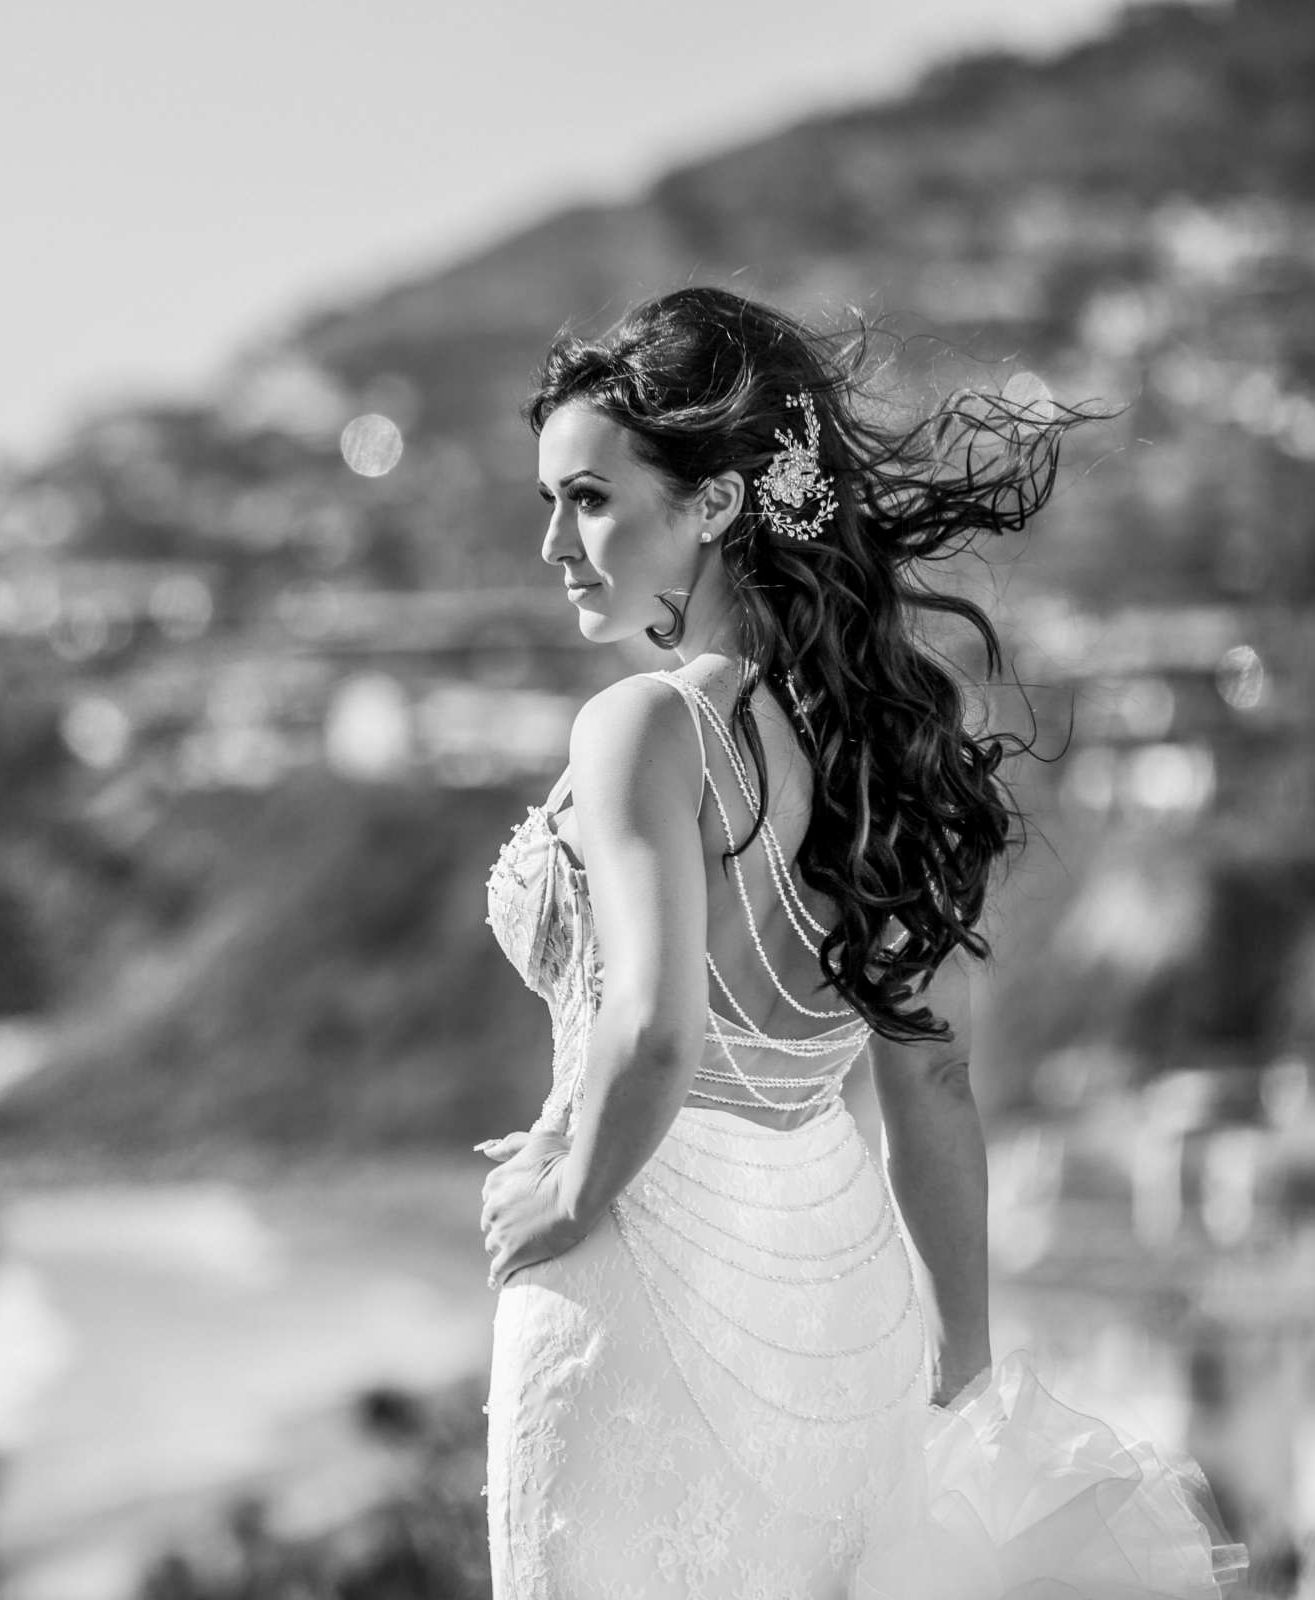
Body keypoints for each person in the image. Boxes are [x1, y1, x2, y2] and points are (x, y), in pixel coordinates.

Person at [475, 286, 1244, 1600]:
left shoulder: (640, 730)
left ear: (716, 501)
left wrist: (570, 1189)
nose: (553, 540)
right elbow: (932, 1081)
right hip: (845, 1311)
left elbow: (653, 1029)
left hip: (637, 1291)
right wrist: (966, 1378)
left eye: (589, 498)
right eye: (549, 501)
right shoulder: (887, 745)